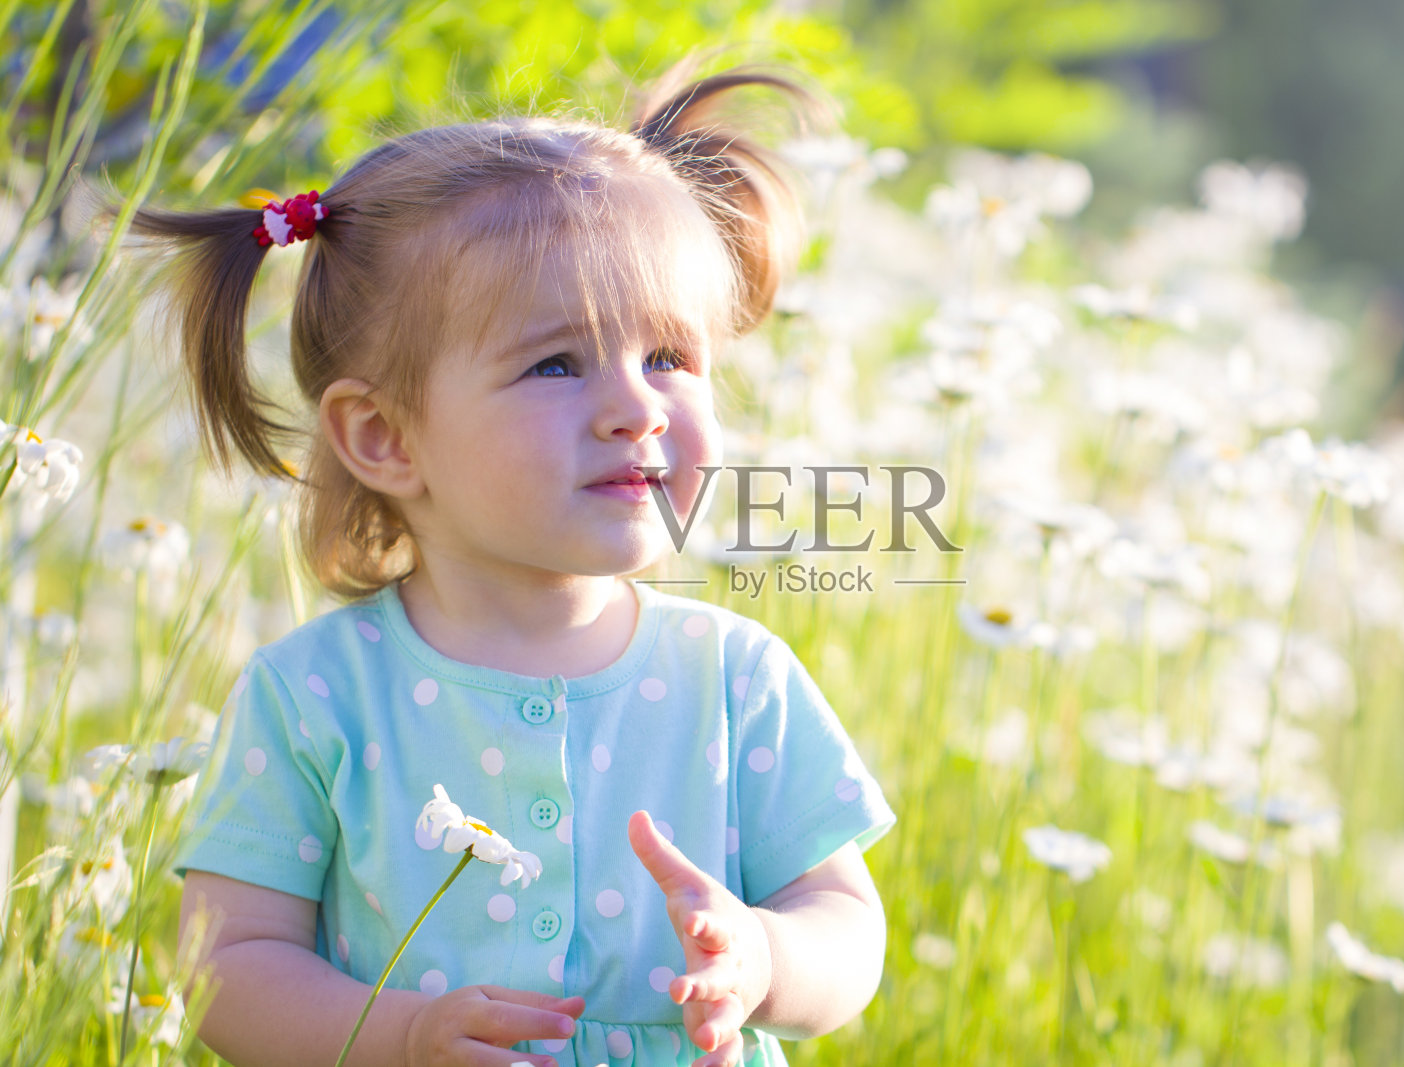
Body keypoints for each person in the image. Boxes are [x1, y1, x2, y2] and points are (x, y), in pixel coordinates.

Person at [144, 64, 895, 1067]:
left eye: (670, 356)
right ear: (384, 435)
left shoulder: (732, 676)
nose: (638, 406)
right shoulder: (318, 694)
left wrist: (763, 953)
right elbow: (226, 966)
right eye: (555, 362)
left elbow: (847, 923)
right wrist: (399, 1033)